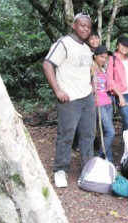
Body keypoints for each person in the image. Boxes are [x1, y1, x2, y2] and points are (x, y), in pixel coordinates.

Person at [43, 13, 95, 188]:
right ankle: (60, 170)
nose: (86, 29)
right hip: (69, 98)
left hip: (87, 97)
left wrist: (91, 87)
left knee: (88, 134)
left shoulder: (86, 48)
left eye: (88, 26)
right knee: (66, 135)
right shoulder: (64, 43)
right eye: (82, 25)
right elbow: (47, 64)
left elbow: (86, 70)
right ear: (74, 25)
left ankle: (87, 169)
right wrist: (57, 89)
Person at [92, 45, 115, 163]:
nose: (103, 60)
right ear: (95, 56)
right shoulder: (91, 69)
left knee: (106, 133)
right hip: (98, 104)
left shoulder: (102, 70)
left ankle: (109, 160)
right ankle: (99, 158)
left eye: (105, 58)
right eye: (101, 57)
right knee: (111, 132)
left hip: (108, 103)